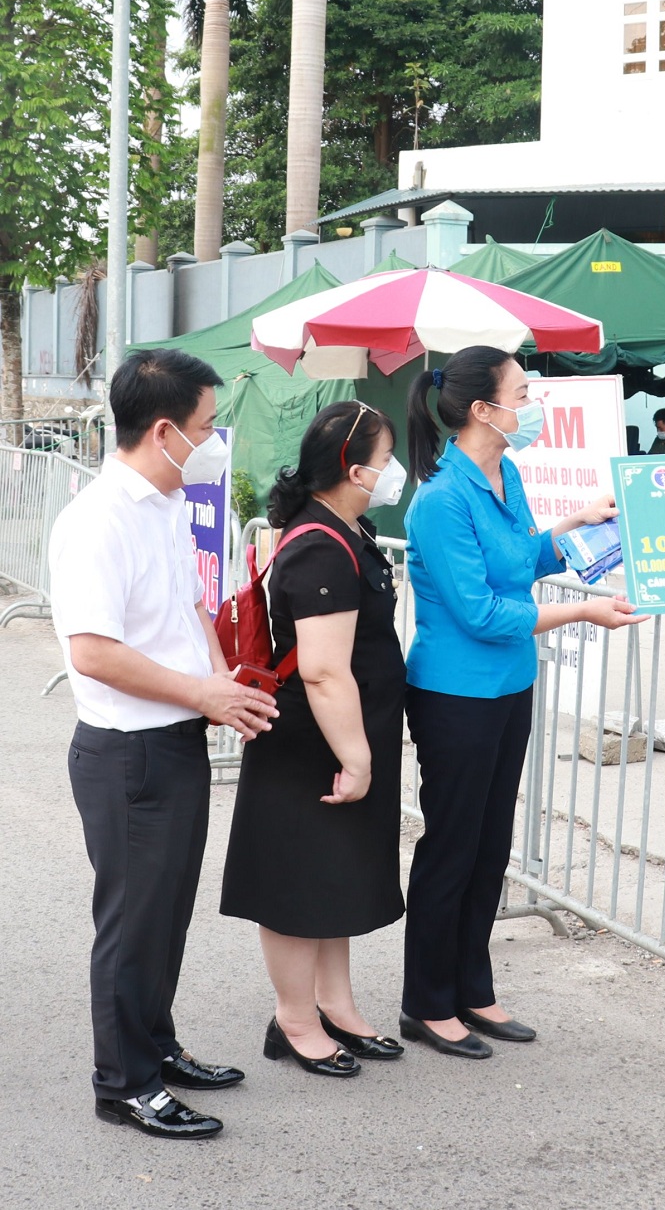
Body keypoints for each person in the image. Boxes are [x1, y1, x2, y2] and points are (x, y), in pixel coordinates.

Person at [49, 349, 278, 1140]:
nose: (217, 441)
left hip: (173, 738)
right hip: (126, 754)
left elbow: (187, 612)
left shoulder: (167, 504)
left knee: (167, 914)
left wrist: (222, 686)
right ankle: (125, 1082)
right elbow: (95, 651)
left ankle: (158, 1045)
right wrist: (200, 692)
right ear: (163, 430)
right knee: (133, 921)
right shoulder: (95, 521)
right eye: (209, 426)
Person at [401, 346, 645, 1058]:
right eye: (522, 390)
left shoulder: (503, 471)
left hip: (509, 684)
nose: (532, 401)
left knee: (491, 844)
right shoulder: (441, 499)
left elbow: (522, 560)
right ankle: (427, 1000)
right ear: (483, 408)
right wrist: (581, 613)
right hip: (455, 691)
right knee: (451, 846)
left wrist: (576, 522)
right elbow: (479, 610)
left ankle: (473, 986)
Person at [220, 401, 409, 1077]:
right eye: (386, 462)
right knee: (297, 883)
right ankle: (294, 1019)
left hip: (342, 731)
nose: (393, 474)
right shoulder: (319, 545)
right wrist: (356, 756)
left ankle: (338, 1005)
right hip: (312, 739)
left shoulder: (343, 528)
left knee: (337, 873)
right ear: (353, 469)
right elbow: (327, 670)